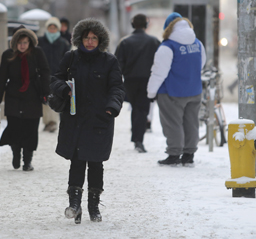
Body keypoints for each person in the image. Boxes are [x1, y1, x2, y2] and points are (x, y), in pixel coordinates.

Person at [50, 18, 125, 224]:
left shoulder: (109, 61)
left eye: (94, 38)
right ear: (79, 39)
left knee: (95, 163)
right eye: (86, 38)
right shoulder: (71, 58)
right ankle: (74, 204)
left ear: (100, 40)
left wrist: (112, 108)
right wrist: (63, 88)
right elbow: (55, 78)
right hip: (75, 118)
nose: (90, 42)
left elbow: (117, 87)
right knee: (76, 161)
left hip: (100, 119)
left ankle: (93, 205)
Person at [147, 12, 206, 166]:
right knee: (191, 123)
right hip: (194, 90)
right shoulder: (198, 44)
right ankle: (189, 154)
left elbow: (159, 72)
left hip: (171, 92)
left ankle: (174, 154)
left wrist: (151, 92)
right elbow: (201, 64)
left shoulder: (167, 46)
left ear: (168, 28)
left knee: (172, 124)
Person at [0, 26, 50, 171]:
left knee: (31, 129)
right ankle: (16, 154)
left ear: (30, 42)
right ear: (14, 43)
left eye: (25, 42)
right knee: (15, 128)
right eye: (19, 43)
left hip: (33, 95)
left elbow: (45, 73)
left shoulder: (37, 53)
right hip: (14, 96)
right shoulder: (8, 55)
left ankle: (27, 161)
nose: (22, 45)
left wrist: (45, 93)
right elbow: (1, 79)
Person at [115, 14, 160, 153]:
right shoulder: (154, 42)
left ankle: (137, 138)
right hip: (148, 80)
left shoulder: (125, 42)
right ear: (146, 25)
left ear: (133, 24)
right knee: (142, 109)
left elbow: (117, 64)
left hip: (130, 81)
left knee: (136, 108)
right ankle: (138, 139)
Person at [38, 17, 71, 132]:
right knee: (45, 98)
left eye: (54, 28)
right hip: (43, 74)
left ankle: (53, 122)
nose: (52, 30)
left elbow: (67, 59)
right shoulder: (41, 41)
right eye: (50, 28)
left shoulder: (63, 43)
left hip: (58, 75)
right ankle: (48, 122)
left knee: (56, 97)